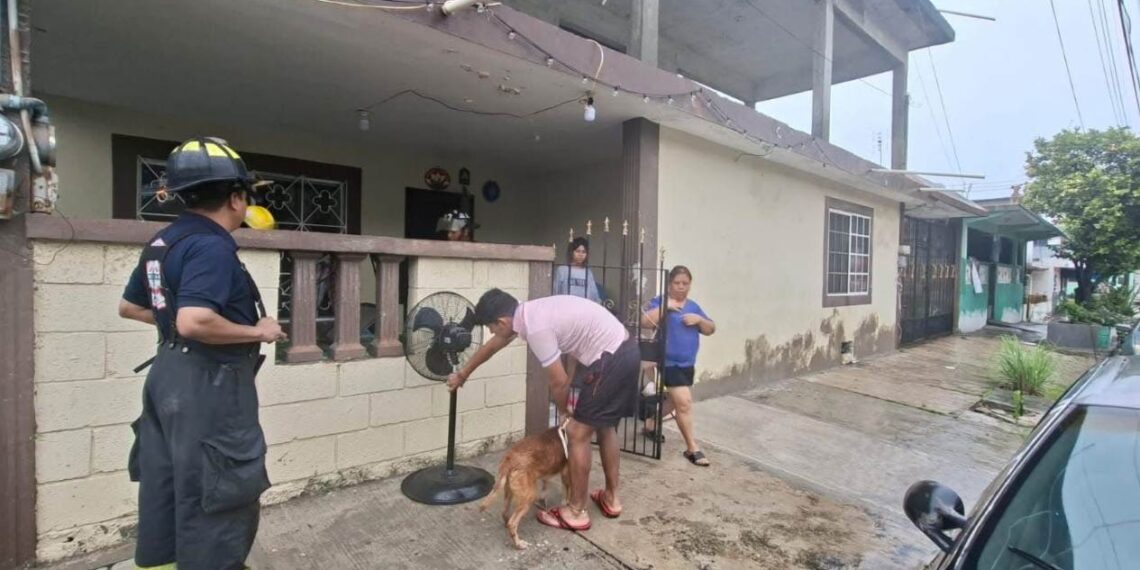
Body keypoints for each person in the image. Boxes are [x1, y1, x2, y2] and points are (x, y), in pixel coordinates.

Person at [118, 137, 288, 570]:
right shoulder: (212, 246)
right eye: (245, 196)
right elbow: (196, 321)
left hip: (166, 377)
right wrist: (258, 330)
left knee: (166, 480)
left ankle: (162, 562)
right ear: (235, 197)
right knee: (221, 488)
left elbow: (132, 307)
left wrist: (177, 326)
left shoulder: (163, 242)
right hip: (208, 385)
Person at [447, 289, 640, 531]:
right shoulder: (529, 312)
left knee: (577, 434)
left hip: (610, 360)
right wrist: (463, 374)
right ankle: (611, 499)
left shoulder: (536, 328)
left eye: (491, 327)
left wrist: (564, 413)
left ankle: (576, 512)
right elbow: (494, 346)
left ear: (502, 321)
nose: (492, 333)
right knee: (605, 427)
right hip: (627, 349)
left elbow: (558, 382)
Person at [641, 265, 715, 467]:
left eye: (685, 283)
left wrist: (699, 320)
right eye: (677, 283)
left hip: (687, 363)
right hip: (668, 362)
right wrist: (666, 306)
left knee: (674, 402)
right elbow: (644, 322)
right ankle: (692, 448)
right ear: (669, 284)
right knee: (684, 403)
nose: (681, 287)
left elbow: (711, 329)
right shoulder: (660, 301)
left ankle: (651, 423)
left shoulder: (693, 306)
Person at [553, 237, 604, 303]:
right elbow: (555, 292)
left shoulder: (587, 272)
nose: (581, 254)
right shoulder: (562, 270)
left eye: (583, 252)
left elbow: (594, 295)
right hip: (566, 307)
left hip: (584, 309)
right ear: (571, 252)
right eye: (577, 251)